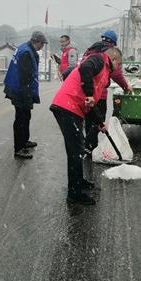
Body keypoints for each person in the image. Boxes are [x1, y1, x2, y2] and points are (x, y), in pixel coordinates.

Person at [50, 46, 123, 205]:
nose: (118, 68)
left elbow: (90, 104)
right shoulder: (99, 60)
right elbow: (85, 67)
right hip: (67, 107)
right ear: (114, 59)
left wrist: (99, 123)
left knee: (78, 148)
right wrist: (90, 94)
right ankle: (74, 193)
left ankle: (78, 181)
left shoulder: (103, 72)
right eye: (119, 64)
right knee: (75, 151)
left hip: (72, 108)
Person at [75, 30, 133, 155]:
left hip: (87, 92)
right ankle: (89, 145)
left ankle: (90, 145)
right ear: (113, 43)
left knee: (90, 120)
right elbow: (116, 73)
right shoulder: (108, 53)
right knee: (98, 121)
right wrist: (125, 86)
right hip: (99, 93)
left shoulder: (90, 50)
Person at [3, 31, 48, 159]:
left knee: (26, 116)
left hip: (17, 87)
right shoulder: (27, 53)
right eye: (42, 44)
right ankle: (19, 148)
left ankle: (24, 141)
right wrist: (27, 96)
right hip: (19, 89)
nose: (42, 47)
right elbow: (25, 78)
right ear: (37, 42)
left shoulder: (25, 48)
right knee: (21, 118)